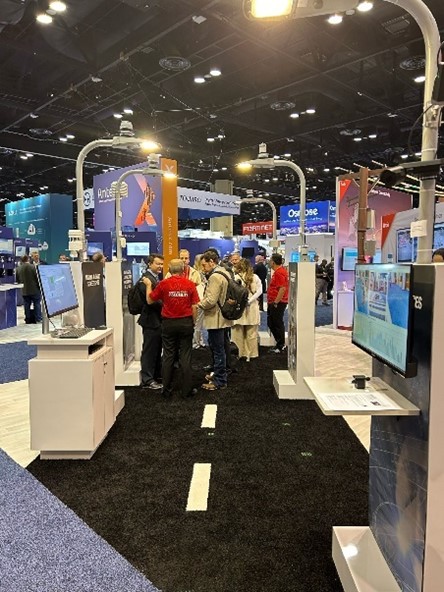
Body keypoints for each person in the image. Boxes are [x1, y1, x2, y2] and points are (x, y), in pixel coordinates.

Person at [144, 258, 200, 398]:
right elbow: (194, 306)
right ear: (183, 270)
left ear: (169, 269)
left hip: (168, 323)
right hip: (186, 322)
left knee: (168, 356)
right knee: (185, 356)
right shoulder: (189, 284)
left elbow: (150, 300)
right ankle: (186, 390)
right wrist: (193, 322)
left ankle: (166, 389)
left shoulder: (163, 284)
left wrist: (148, 285)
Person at [198, 250, 233, 391]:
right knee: (222, 348)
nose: (203, 268)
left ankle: (219, 381)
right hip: (224, 316)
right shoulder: (225, 272)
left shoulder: (215, 277)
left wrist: (198, 304)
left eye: (204, 265)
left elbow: (211, 300)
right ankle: (219, 376)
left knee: (218, 350)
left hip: (216, 317)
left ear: (211, 262)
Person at [138, 253, 164, 390]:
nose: (160, 266)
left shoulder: (154, 278)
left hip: (156, 320)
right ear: (150, 264)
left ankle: (155, 375)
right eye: (157, 264)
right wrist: (166, 304)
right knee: (149, 350)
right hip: (150, 320)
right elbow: (151, 301)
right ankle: (147, 379)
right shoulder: (146, 279)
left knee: (156, 349)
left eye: (162, 264)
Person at [232, 258, 262, 361]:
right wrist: (250, 300)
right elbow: (260, 291)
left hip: (238, 308)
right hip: (252, 308)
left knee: (237, 333)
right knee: (252, 333)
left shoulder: (235, 277)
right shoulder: (255, 277)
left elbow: (232, 292)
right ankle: (252, 355)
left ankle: (240, 354)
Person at [267, 252, 289, 353]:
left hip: (278, 302)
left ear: (273, 262)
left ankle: (281, 345)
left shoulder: (279, 272)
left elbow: (282, 289)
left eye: (270, 260)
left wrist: (276, 302)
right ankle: (279, 343)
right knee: (272, 322)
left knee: (276, 323)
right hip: (275, 301)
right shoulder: (279, 271)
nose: (269, 262)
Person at [16, 255, 42, 323]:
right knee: (37, 304)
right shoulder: (33, 267)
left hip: (24, 290)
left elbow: (17, 280)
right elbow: (37, 278)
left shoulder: (18, 268)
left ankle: (28, 319)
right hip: (34, 289)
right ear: (28, 259)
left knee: (26, 305)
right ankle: (38, 318)